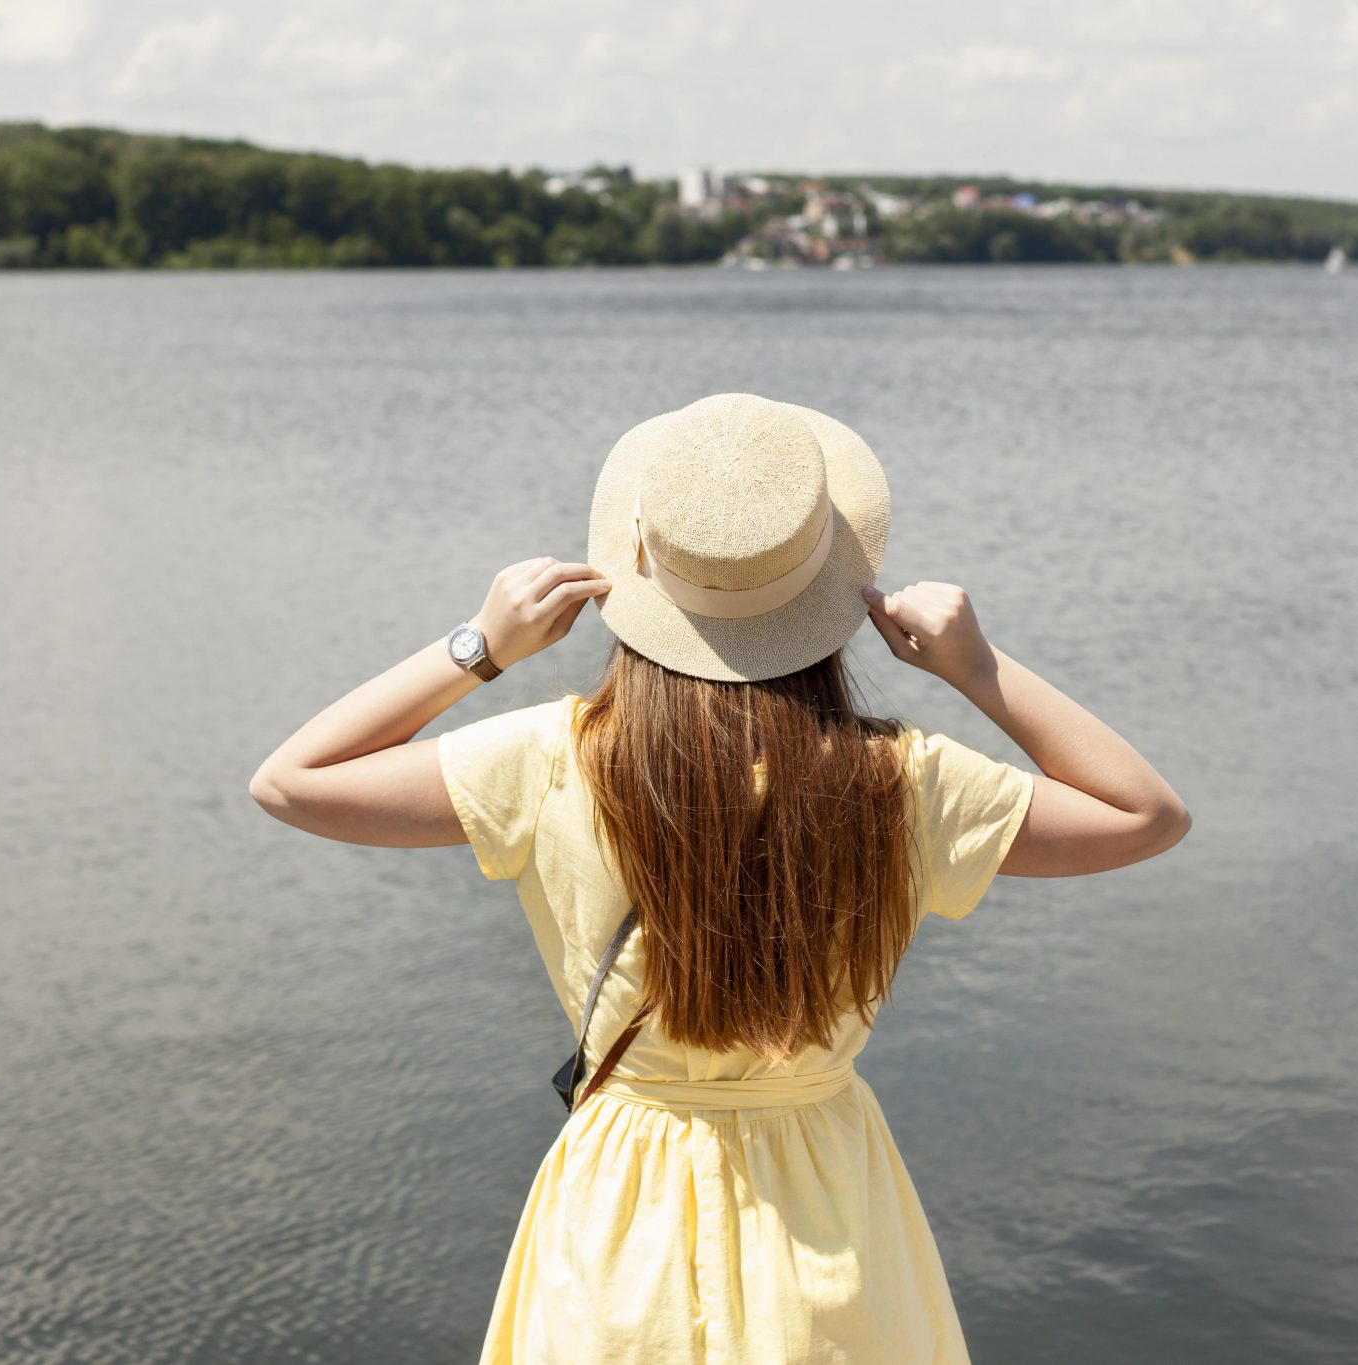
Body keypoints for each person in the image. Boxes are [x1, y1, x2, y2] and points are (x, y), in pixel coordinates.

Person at [249, 392, 1191, 1363]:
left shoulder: (553, 761)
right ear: (829, 588)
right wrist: (974, 668)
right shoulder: (896, 782)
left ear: (639, 575)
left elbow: (290, 782)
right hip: (826, 1209)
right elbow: (1145, 816)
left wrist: (478, 647)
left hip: (621, 1215)